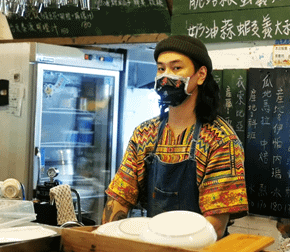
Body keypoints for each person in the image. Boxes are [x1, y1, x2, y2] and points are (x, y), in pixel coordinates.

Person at [103, 35, 248, 236]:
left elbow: (214, 226)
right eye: (161, 69)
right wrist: (109, 237)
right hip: (153, 248)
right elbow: (119, 200)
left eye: (176, 68)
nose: (166, 76)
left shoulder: (219, 140)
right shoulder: (144, 135)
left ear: (201, 74)